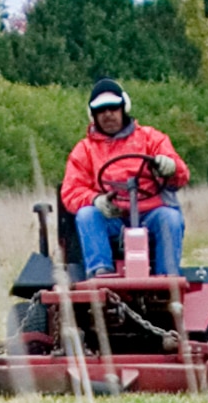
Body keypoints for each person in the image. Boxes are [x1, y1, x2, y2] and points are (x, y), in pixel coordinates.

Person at [60, 79, 190, 278]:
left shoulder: (152, 139)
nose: (108, 114)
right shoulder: (83, 151)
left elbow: (181, 175)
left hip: (150, 213)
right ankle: (101, 273)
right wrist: (96, 200)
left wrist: (171, 167)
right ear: (93, 115)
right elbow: (71, 192)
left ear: (124, 108)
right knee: (87, 215)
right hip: (112, 217)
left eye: (113, 108)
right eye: (101, 110)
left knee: (170, 218)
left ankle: (168, 278)